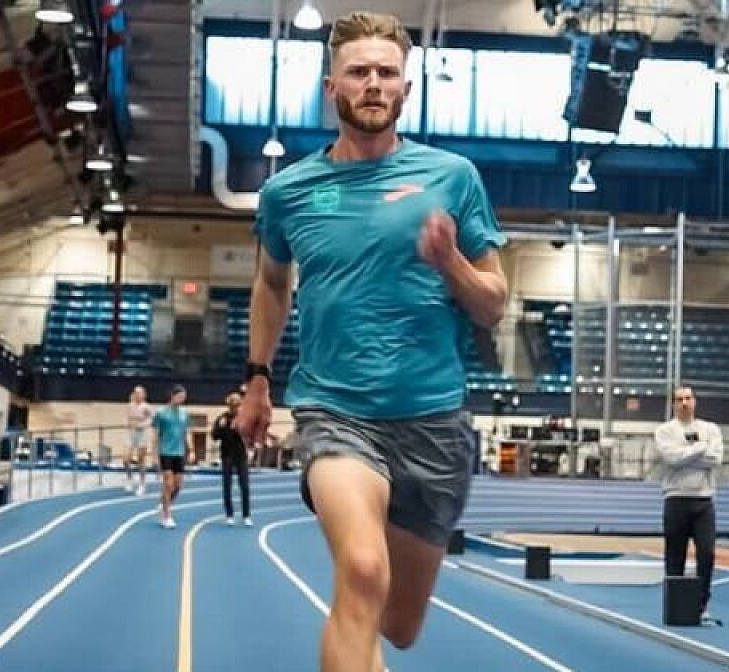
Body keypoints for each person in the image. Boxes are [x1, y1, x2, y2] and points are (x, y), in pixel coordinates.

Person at [235, 11, 508, 672]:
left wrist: (451, 262)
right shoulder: (288, 192)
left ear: (406, 88)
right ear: (332, 87)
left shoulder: (452, 177)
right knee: (361, 570)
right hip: (335, 412)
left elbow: (493, 304)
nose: (374, 84)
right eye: (358, 72)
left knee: (398, 626)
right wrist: (258, 379)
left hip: (432, 421)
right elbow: (271, 283)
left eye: (387, 72)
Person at [653, 385, 723, 621]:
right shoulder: (665, 431)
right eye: (679, 399)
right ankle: (675, 606)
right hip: (676, 498)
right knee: (675, 556)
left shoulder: (710, 429)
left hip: (704, 500)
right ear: (673, 404)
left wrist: (687, 454)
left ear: (694, 401)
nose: (684, 403)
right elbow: (672, 459)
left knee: (707, 554)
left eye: (688, 398)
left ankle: (701, 605)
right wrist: (700, 448)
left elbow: (715, 459)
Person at [151, 384, 191, 529]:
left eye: (184, 397)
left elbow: (186, 433)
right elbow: (156, 436)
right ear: (172, 396)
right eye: (180, 396)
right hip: (165, 451)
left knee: (178, 486)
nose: (182, 399)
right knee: (168, 484)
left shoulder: (184, 414)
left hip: (179, 452)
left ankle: (165, 503)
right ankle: (166, 515)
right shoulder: (161, 413)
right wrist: (154, 455)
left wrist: (190, 450)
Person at [211, 391, 252, 526]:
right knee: (227, 486)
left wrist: (240, 429)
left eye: (238, 405)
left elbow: (248, 434)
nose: (235, 407)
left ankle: (246, 515)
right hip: (227, 455)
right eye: (233, 405)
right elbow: (214, 436)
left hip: (241, 455)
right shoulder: (222, 418)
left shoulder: (244, 419)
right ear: (229, 405)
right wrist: (221, 427)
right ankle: (229, 514)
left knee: (244, 486)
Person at [124, 385, 153, 496]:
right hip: (131, 433)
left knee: (141, 459)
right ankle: (129, 478)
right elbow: (128, 418)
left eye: (140, 393)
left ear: (144, 395)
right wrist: (129, 424)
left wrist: (142, 424)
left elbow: (150, 420)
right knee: (126, 458)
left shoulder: (146, 407)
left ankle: (142, 483)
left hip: (142, 434)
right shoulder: (130, 406)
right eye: (136, 393)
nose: (138, 395)